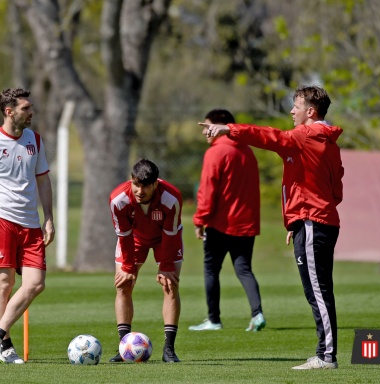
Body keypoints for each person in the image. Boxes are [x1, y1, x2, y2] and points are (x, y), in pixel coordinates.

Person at [199, 85, 343, 370]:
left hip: (314, 221)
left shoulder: (305, 135)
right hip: (314, 220)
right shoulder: (326, 141)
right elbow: (335, 189)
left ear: (310, 112)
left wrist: (229, 129)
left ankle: (327, 357)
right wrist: (296, 218)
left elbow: (269, 136)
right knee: (318, 291)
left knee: (318, 291)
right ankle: (324, 354)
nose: (291, 111)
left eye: (296, 106)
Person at [0, 88, 54, 364]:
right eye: (26, 108)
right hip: (1, 221)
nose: (31, 113)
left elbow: (43, 180)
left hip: (30, 225)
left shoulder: (35, 141)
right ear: (9, 111)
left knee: (36, 284)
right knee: (4, 284)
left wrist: (48, 217)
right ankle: (5, 346)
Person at [189, 109, 265, 332]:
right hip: (246, 224)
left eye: (207, 127)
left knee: (211, 270)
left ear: (221, 127)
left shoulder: (215, 153)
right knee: (244, 269)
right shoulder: (247, 152)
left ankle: (214, 320)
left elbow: (207, 190)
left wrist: (199, 220)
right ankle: (257, 314)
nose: (205, 132)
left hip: (221, 224)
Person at [108, 159, 184, 363]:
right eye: (136, 185)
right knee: (123, 285)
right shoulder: (118, 199)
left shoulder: (172, 198)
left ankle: (169, 350)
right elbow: (123, 235)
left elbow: (171, 234)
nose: (140, 191)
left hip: (166, 239)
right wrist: (128, 267)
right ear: (131, 181)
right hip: (133, 239)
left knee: (170, 286)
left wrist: (166, 266)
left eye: (146, 186)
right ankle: (124, 348)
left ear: (155, 184)